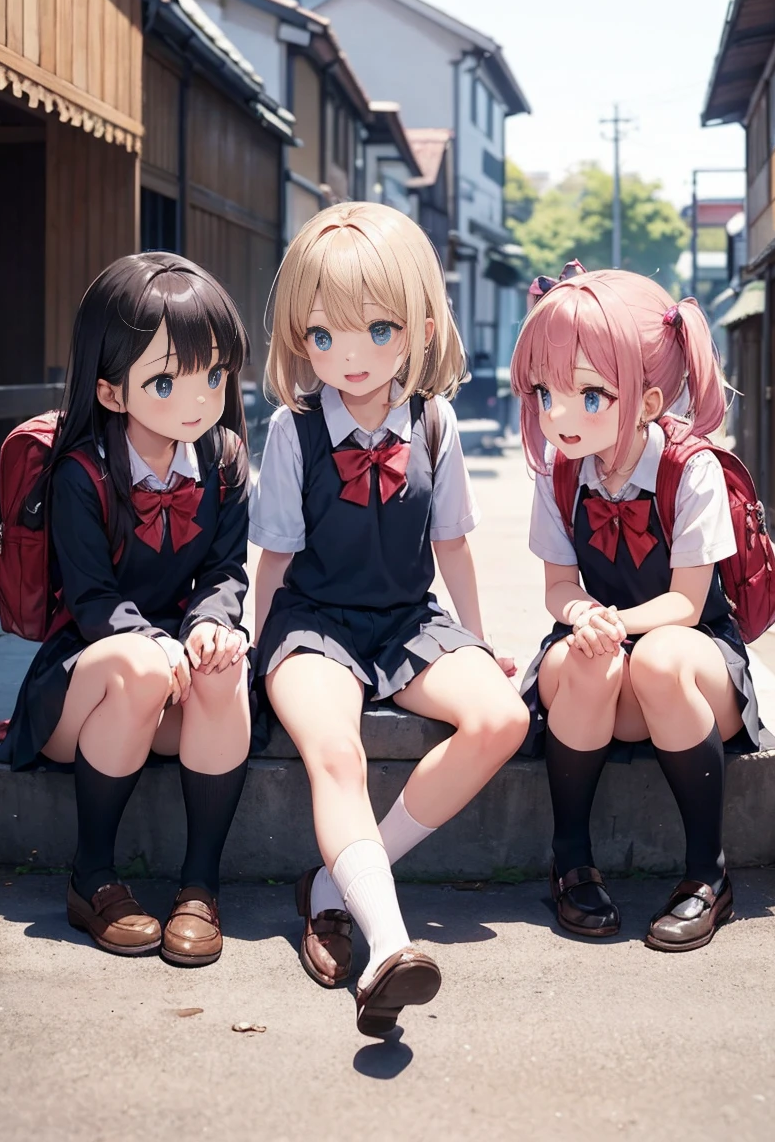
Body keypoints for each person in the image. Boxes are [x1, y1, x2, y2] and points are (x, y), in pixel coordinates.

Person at [251, 203, 530, 1036]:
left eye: (379, 329)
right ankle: (387, 944)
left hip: (410, 621)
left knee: (502, 716)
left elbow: (455, 547)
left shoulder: (434, 424)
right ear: (301, 339)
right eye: (324, 335)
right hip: (313, 624)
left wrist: (478, 642)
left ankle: (333, 889)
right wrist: (253, 654)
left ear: (418, 325)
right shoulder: (290, 432)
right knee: (335, 749)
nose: (353, 355)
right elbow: (270, 561)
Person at [0, 254, 251, 967]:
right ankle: (92, 878)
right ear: (111, 390)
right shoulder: (81, 474)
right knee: (139, 665)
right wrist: (155, 643)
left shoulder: (225, 458)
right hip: (86, 681)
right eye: (166, 381)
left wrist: (208, 626)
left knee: (227, 668)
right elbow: (92, 601)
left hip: (172, 685)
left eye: (213, 375)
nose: (196, 399)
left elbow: (226, 572)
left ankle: (199, 887)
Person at [513, 265, 759, 953]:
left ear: (650, 400)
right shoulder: (558, 471)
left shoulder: (692, 468)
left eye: (588, 394)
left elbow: (686, 600)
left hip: (691, 663)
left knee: (655, 655)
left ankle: (708, 875)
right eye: (544, 390)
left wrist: (617, 623)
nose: (557, 413)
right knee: (590, 660)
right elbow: (557, 588)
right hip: (604, 668)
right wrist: (586, 616)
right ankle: (571, 862)